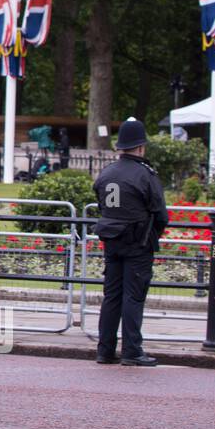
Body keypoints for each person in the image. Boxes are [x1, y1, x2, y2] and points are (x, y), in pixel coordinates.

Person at [92, 118, 169, 367]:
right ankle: (132, 350)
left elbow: (101, 204)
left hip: (112, 241)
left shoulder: (106, 173)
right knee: (133, 297)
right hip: (138, 243)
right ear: (140, 147)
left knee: (112, 295)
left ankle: (105, 349)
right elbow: (161, 215)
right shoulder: (145, 175)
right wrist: (151, 233)